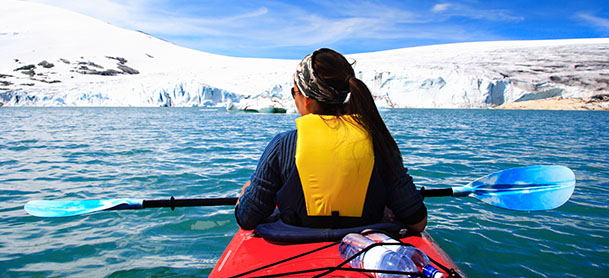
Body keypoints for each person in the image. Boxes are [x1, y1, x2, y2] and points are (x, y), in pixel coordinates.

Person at [235, 48, 427, 233]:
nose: (294, 99)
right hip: (364, 248)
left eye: (295, 92)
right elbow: (417, 222)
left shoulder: (282, 145)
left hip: (298, 250)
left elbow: (247, 218)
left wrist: (246, 193)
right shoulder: (378, 142)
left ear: (307, 100)